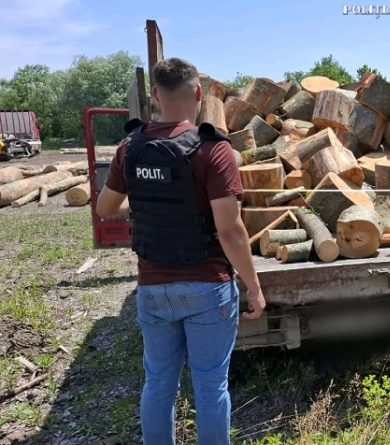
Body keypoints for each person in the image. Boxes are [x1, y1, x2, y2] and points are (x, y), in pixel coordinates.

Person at [96, 57, 266, 445]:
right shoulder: (214, 150)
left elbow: (104, 209)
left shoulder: (129, 148)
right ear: (199, 94)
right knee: (210, 388)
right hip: (208, 288)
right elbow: (230, 230)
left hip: (153, 288)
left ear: (155, 96)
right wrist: (254, 287)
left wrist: (143, 200)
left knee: (158, 384)